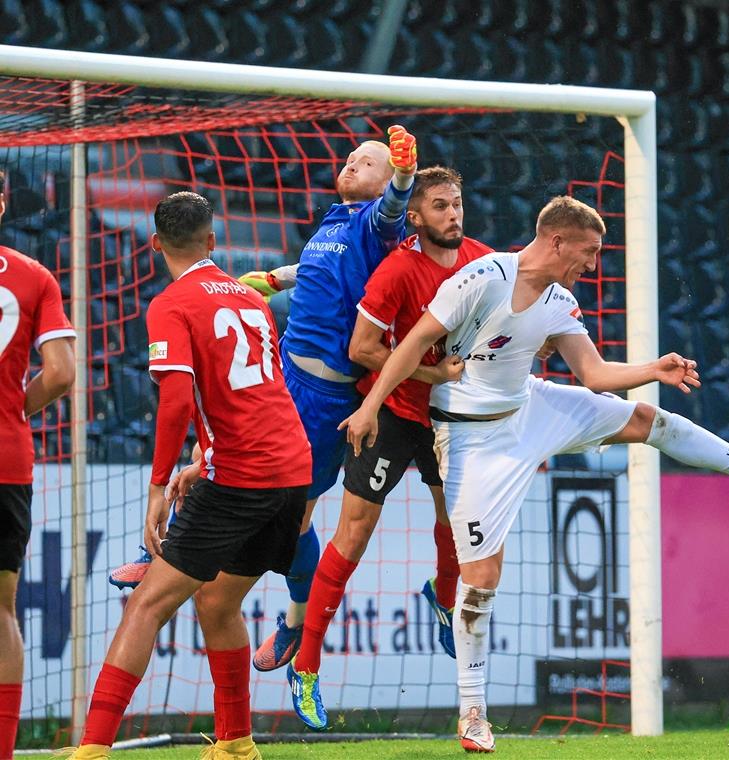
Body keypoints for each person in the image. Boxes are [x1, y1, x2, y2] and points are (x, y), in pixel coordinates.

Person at [340, 196, 729, 752]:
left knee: (650, 418)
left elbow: (593, 374)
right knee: (481, 577)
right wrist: (370, 406)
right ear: (557, 241)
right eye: (589, 251)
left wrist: (654, 368)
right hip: (471, 438)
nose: (592, 264)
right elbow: (412, 344)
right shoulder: (484, 276)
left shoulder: (559, 300)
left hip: (531, 407)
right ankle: (473, 712)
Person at [108, 126, 418, 675]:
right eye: (350, 157)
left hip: (327, 398)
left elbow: (393, 210)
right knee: (214, 454)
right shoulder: (335, 220)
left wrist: (402, 174)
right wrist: (278, 278)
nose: (351, 165)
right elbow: (325, 269)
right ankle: (154, 552)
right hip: (284, 377)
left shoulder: (377, 224)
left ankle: (296, 621)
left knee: (295, 514)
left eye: (366, 163)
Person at [61, 193, 311, 760]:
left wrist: (157, 487)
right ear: (213, 242)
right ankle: (237, 743)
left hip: (242, 476)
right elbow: (253, 392)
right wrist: (201, 462)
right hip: (290, 469)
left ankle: (92, 749)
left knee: (146, 605)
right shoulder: (251, 298)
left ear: (154, 244)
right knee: (217, 602)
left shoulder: (171, 304)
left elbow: (175, 402)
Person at [286, 167, 487, 729]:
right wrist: (430, 374)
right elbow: (364, 348)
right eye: (441, 206)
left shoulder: (482, 261)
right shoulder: (398, 267)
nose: (454, 215)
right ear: (416, 217)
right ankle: (305, 667)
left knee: (457, 526)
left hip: (451, 417)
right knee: (353, 533)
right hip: (393, 412)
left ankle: (442, 597)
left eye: (458, 204)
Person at [0, 168, 77, 760]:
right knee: (1, 611)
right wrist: (13, 411)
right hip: (7, 457)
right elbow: (62, 373)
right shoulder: (34, 277)